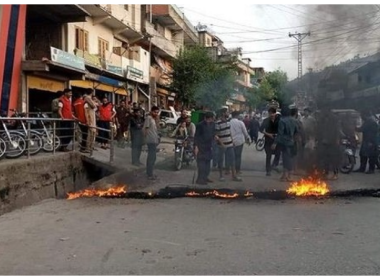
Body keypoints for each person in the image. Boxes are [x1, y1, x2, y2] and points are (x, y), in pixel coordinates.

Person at [215, 108, 242, 182]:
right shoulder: (218, 123)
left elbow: (229, 132)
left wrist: (232, 141)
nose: (228, 113)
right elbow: (216, 135)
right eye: (227, 112)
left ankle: (234, 176)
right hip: (222, 145)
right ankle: (221, 176)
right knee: (221, 160)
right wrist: (222, 143)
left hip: (229, 144)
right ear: (223, 113)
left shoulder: (228, 121)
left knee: (232, 160)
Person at [272, 107, 298, 182]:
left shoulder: (282, 121)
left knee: (285, 158)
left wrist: (275, 143)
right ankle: (287, 175)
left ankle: (286, 175)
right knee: (289, 157)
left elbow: (280, 134)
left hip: (284, 142)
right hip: (292, 141)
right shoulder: (295, 121)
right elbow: (297, 132)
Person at [194, 111, 215, 185]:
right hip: (201, 146)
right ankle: (200, 179)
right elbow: (196, 136)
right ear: (207, 118)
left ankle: (205, 177)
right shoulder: (200, 125)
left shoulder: (213, 124)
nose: (211, 120)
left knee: (207, 165)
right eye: (211, 118)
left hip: (209, 146)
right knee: (201, 165)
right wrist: (196, 146)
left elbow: (213, 133)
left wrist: (214, 138)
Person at [260, 107, 281, 176]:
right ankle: (268, 170)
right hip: (268, 140)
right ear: (269, 113)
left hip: (277, 139)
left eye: (273, 113)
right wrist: (268, 134)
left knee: (278, 154)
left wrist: (275, 142)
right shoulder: (266, 121)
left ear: (275, 113)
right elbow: (261, 130)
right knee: (268, 155)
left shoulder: (279, 121)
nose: (271, 115)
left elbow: (281, 132)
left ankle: (274, 165)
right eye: (270, 113)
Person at [144, 106, 161, 180]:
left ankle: (150, 173)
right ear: (151, 111)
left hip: (154, 140)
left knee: (153, 158)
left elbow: (157, 129)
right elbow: (146, 129)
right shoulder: (149, 118)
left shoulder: (154, 119)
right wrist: (145, 139)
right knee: (152, 158)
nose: (156, 113)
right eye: (155, 112)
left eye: (157, 112)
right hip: (150, 140)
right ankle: (149, 174)